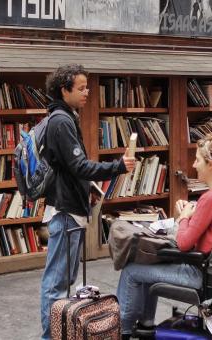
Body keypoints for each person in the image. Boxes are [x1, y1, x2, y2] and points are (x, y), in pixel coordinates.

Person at [39, 64, 136, 340]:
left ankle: (58, 334)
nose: (87, 93)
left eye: (87, 87)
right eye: (81, 88)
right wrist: (118, 166)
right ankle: (51, 336)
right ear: (64, 90)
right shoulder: (61, 121)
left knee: (62, 281)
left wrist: (88, 188)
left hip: (68, 208)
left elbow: (70, 169)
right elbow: (79, 166)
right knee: (56, 284)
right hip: (66, 211)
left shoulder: (65, 117)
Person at [116, 134, 212, 337]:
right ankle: (146, 326)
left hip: (199, 275)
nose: (194, 165)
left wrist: (184, 217)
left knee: (131, 271)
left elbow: (184, 244)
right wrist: (193, 215)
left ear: (210, 164)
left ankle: (120, 332)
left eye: (198, 160)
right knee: (148, 268)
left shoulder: (210, 198)